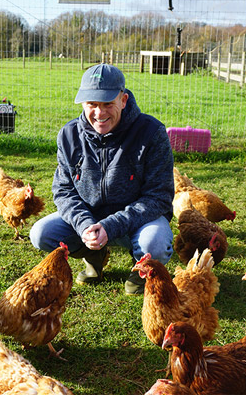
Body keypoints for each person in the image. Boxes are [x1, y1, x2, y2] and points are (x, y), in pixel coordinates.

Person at [29, 63, 174, 295]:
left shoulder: (151, 133)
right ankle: (93, 254)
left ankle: (141, 270)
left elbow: (159, 197)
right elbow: (64, 191)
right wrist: (85, 224)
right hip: (90, 218)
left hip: (137, 221)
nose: (99, 113)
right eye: (92, 104)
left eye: (108, 104)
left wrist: (111, 225)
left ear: (123, 100)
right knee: (42, 234)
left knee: (155, 245)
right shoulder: (68, 135)